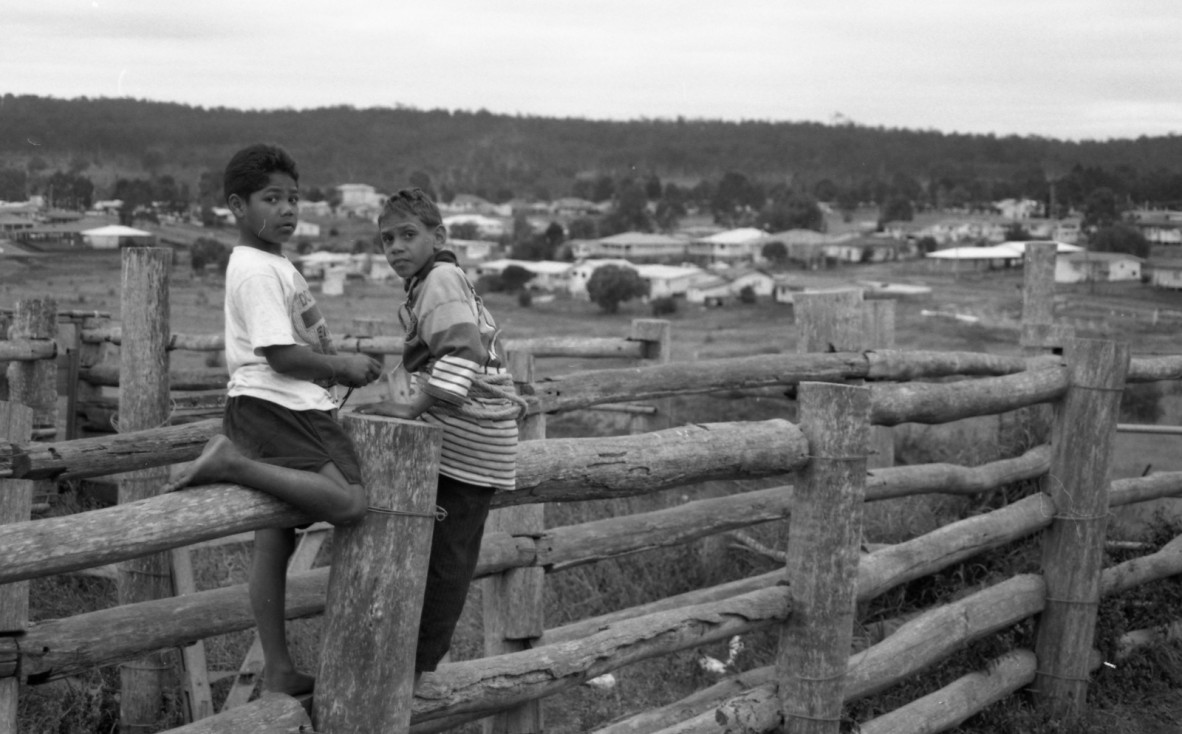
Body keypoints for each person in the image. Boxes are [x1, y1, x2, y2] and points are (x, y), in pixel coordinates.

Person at [165, 143, 383, 696]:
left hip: (260, 405)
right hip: (281, 405)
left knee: (274, 538)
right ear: (237, 206)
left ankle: (279, 670)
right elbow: (281, 355)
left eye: (293, 198)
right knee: (352, 503)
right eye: (272, 198)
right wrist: (340, 365)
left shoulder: (273, 263)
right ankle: (231, 463)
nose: (288, 209)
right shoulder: (258, 270)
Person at [354, 188, 526, 680]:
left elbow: (463, 354)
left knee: (445, 561)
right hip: (462, 437)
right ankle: (407, 656)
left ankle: (414, 665)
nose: (395, 248)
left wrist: (412, 409)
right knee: (435, 552)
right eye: (387, 240)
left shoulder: (442, 279)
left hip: (468, 447)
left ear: (440, 237)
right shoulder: (431, 282)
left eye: (408, 235)